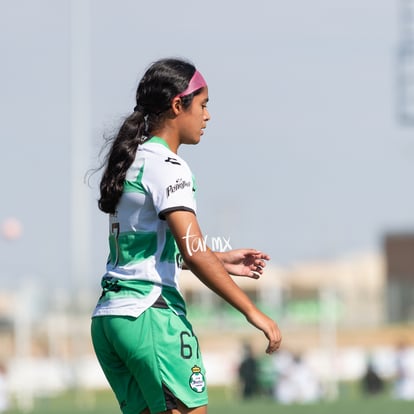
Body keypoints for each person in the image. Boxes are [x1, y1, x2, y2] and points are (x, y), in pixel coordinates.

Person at [90, 57, 282, 414]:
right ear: (178, 105)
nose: (207, 116)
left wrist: (222, 260)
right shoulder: (169, 167)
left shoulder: (131, 159)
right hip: (150, 314)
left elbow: (153, 248)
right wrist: (254, 312)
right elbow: (193, 253)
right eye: (203, 105)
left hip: (110, 320)